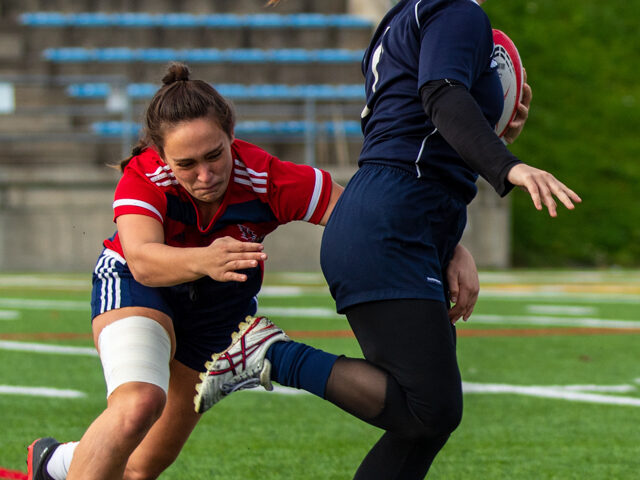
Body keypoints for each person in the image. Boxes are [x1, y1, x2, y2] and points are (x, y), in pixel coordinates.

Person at [25, 61, 480, 480]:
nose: (205, 175)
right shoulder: (145, 176)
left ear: (232, 135)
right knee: (138, 404)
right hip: (140, 285)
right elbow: (143, 261)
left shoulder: (266, 176)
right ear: (161, 156)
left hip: (218, 314)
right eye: (186, 165)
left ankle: (53, 463)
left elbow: (369, 220)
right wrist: (205, 259)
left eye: (214, 155)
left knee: (141, 468)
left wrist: (449, 247)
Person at [195, 0, 581, 478]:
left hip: (397, 220)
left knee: (425, 422)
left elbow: (412, 134)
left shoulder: (400, 18)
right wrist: (506, 164)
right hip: (391, 226)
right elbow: (441, 94)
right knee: (430, 409)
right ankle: (270, 354)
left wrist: (450, 241)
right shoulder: (456, 10)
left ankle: (272, 355)